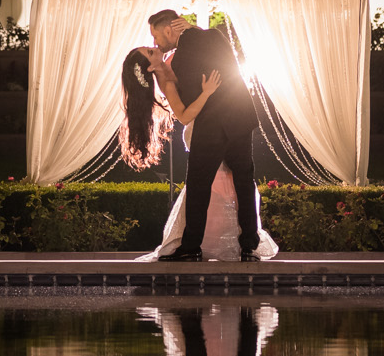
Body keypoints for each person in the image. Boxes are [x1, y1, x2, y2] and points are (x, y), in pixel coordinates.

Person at [118, 21, 278, 262]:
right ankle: (192, 246)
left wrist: (192, 28)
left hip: (234, 118)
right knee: (198, 186)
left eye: (152, 44)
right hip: (207, 124)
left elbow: (212, 45)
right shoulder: (166, 80)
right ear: (150, 67)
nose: (154, 45)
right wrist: (206, 92)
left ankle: (249, 246)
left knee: (244, 182)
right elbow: (184, 115)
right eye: (150, 51)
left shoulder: (178, 56)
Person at [153, 9, 262, 262]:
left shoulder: (184, 54)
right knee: (243, 183)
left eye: (157, 36)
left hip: (215, 124)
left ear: (170, 29)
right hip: (237, 118)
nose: (156, 43)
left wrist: (192, 30)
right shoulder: (209, 38)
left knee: (200, 186)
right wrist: (193, 29)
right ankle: (249, 247)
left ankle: (192, 246)